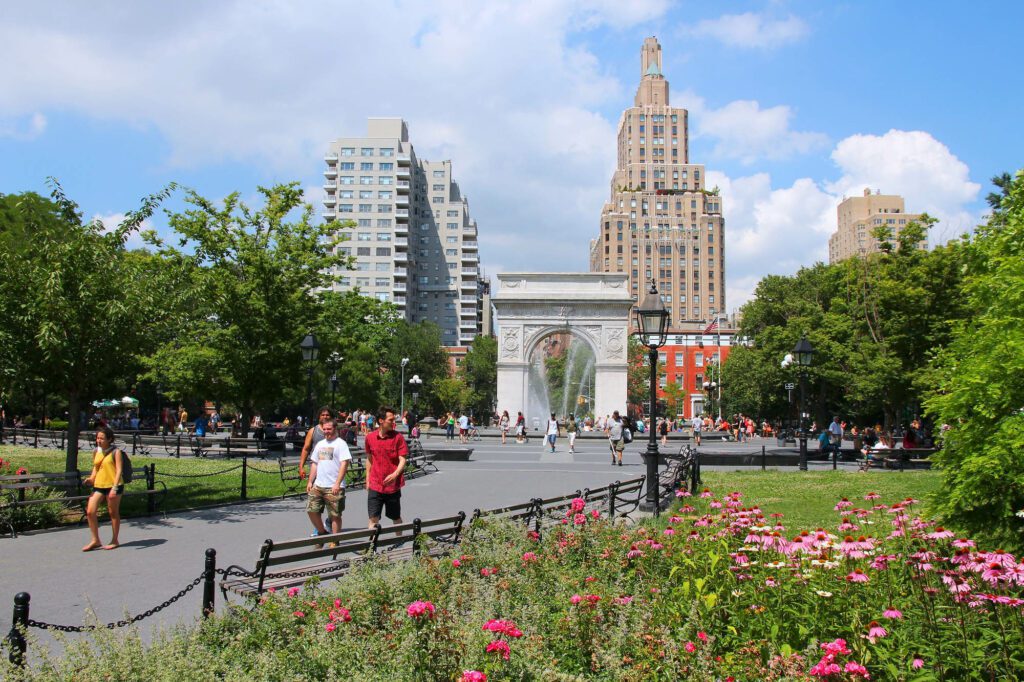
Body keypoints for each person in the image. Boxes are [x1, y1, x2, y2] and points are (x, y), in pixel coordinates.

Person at [305, 419, 351, 540]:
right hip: (319, 485)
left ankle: (335, 541)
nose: (326, 431)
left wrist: (337, 483)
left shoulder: (340, 444)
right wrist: (310, 481)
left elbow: (344, 464)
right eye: (324, 429)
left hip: (334, 486)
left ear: (335, 429)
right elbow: (315, 463)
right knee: (311, 510)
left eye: (329, 429)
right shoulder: (320, 444)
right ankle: (322, 532)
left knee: (335, 515)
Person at [365, 406, 408, 531]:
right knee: (373, 518)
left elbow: (403, 459)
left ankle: (399, 541)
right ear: (381, 421)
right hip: (375, 484)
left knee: (395, 517)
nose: (393, 422)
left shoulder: (398, 437)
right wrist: (367, 479)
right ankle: (371, 548)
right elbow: (369, 459)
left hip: (392, 487)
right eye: (390, 420)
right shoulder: (370, 438)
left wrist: (395, 475)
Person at [82, 426, 125, 551]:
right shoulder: (96, 451)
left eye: (102, 438)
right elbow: (96, 467)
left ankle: (114, 540)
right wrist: (91, 478)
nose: (99, 440)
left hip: (113, 486)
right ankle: (95, 540)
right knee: (90, 511)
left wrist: (114, 488)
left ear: (109, 439)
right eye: (97, 438)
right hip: (99, 485)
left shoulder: (115, 452)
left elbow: (119, 471)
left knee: (113, 513)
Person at [299, 407, 334, 480]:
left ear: (331, 417)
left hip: (332, 468)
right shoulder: (313, 431)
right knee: (314, 489)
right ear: (319, 417)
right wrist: (301, 467)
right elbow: (306, 449)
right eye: (323, 415)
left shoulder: (336, 432)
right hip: (316, 467)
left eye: (327, 415)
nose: (325, 417)